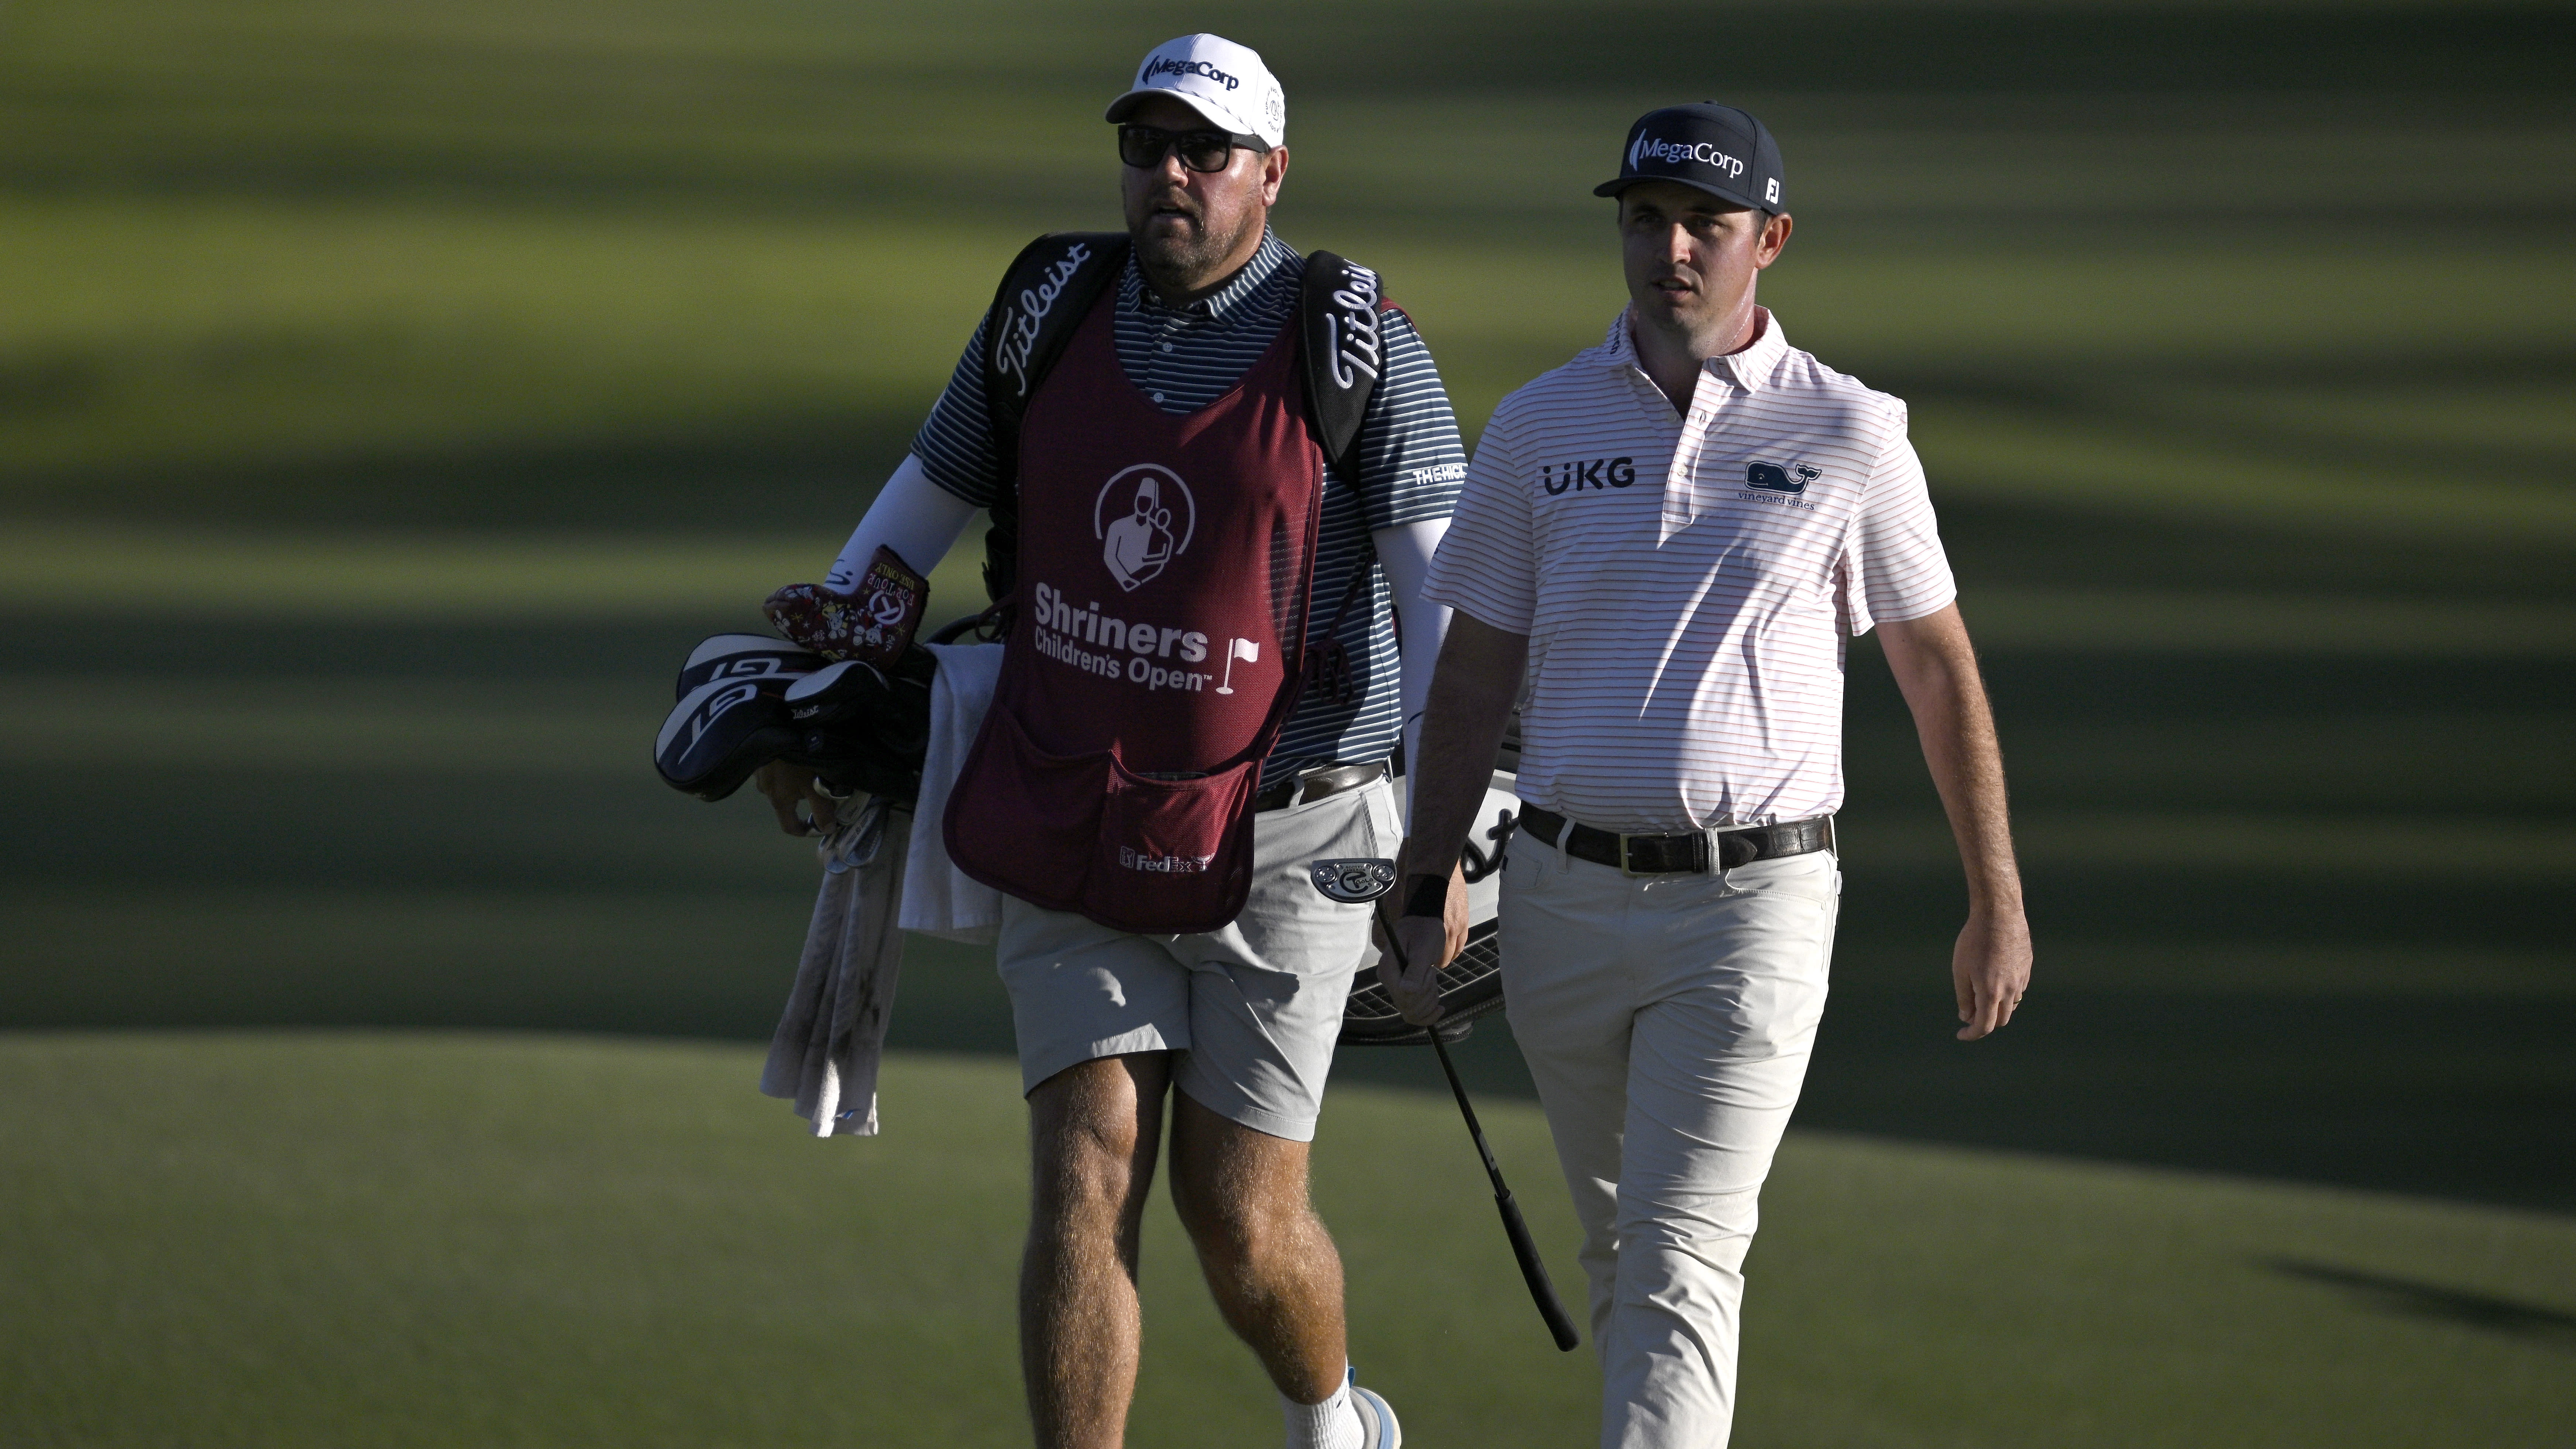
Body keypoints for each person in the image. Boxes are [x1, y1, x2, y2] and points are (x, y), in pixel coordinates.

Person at [756, 34, 1465, 1449]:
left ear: (1271, 173)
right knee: (1083, 1173)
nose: (1171, 177)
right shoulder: (1050, 303)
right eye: (1147, 147)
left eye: (1205, 152)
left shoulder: (1356, 335)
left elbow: (1438, 591)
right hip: (1072, 802)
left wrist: (1436, 842)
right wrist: (808, 679)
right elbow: (918, 510)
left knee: (1241, 1221)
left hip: (1297, 826)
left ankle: (1331, 1419)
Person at [1388, 103, 2033, 1448]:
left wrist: (1996, 899)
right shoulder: (1535, 427)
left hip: (1753, 905)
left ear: (1770, 242)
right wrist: (1424, 868)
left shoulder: (1853, 432)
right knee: (1625, 1252)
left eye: (1705, 225)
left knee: (1682, 1258)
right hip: (1558, 897)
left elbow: (1935, 672)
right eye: (1644, 219)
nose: (1669, 249)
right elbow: (1471, 674)